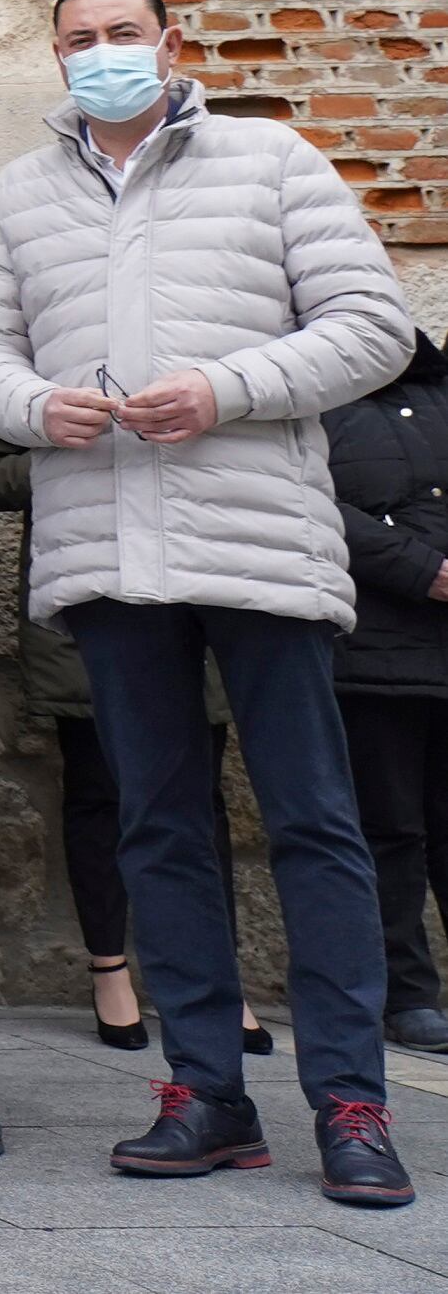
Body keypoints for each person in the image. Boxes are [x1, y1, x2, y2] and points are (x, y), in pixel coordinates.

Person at [0, 0, 420, 1208]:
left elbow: (371, 325)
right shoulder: (18, 191)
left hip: (257, 546)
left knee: (311, 822)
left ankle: (348, 1103)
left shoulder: (269, 162)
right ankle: (204, 1091)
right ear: (53, 57)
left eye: (122, 33)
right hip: (107, 552)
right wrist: (33, 407)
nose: (100, 53)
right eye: (77, 39)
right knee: (156, 826)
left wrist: (224, 389)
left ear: (169, 44)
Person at [0, 413, 268, 1054]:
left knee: (202, 803)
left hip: (201, 586)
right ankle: (109, 969)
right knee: (99, 796)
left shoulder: (207, 334)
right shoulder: (45, 340)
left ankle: (218, 980)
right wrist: (88, 458)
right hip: (91, 592)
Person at [322, 334, 448, 1057]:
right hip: (373, 645)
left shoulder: (439, 393)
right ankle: (406, 995)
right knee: (390, 829)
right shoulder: (318, 401)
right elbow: (315, 503)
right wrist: (421, 568)